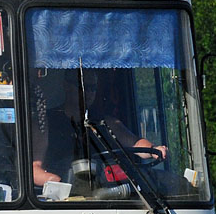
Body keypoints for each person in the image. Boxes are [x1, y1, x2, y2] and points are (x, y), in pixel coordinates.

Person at [31, 69, 167, 187]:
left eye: (92, 88)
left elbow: (135, 143)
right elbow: (34, 169)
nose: (88, 92)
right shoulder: (46, 122)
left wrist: (153, 150)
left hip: (103, 195)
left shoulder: (105, 122)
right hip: (63, 200)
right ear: (66, 86)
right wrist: (56, 181)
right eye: (83, 86)